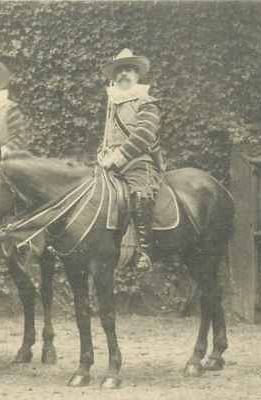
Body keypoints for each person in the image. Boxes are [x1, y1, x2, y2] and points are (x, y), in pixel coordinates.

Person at [97, 48, 163, 272]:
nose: (124, 74)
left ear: (137, 75)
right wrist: (102, 153)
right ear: (114, 76)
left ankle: (145, 251)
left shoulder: (146, 101)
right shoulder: (112, 102)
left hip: (137, 160)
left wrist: (120, 156)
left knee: (140, 194)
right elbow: (107, 135)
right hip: (109, 162)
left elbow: (144, 135)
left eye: (129, 70)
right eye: (120, 70)